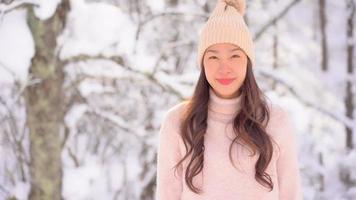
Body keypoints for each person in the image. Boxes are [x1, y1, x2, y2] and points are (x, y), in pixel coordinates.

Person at [155, 0, 302, 199]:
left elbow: (290, 194)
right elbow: (167, 194)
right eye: (213, 57)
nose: (224, 68)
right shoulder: (178, 121)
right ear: (203, 64)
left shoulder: (275, 120)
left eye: (234, 56)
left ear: (248, 61)